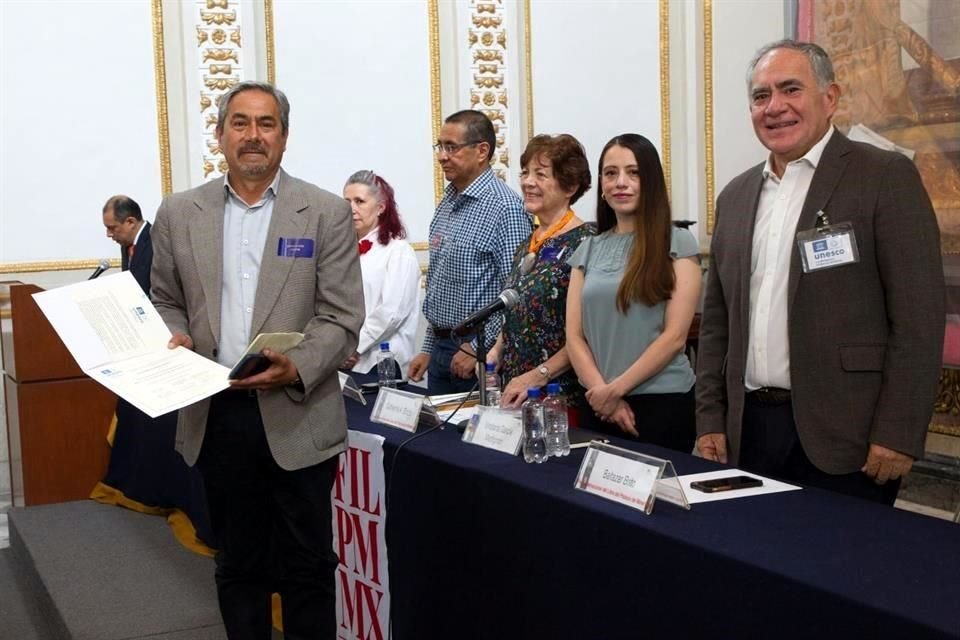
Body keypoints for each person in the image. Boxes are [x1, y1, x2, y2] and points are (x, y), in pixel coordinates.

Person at [151, 81, 364, 639]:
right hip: (216, 414)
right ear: (220, 135)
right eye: (240, 123)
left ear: (284, 137)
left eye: (266, 124)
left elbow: (342, 318)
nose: (252, 136)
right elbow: (166, 301)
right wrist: (175, 334)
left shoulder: (324, 212)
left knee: (308, 569)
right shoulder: (178, 213)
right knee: (237, 567)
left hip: (299, 411)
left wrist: (296, 366)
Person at [695, 40, 945, 505]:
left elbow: (919, 319)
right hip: (747, 433)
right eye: (761, 96)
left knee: (842, 571)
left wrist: (898, 432)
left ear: (830, 98)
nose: (775, 107)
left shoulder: (884, 177)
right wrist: (711, 418)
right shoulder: (734, 196)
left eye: (791, 89)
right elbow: (716, 326)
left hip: (848, 437)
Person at [566, 134, 701, 453]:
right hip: (596, 402)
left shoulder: (678, 243)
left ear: (650, 180)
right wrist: (603, 394)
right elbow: (574, 336)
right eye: (611, 173)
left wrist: (616, 391)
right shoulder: (587, 249)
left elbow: (675, 337)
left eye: (633, 172)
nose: (620, 182)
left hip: (663, 404)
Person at [407, 110, 531, 394]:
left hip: (478, 358)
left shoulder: (505, 209)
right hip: (441, 349)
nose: (442, 156)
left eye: (452, 147)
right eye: (440, 146)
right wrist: (428, 348)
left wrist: (478, 347)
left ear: (482, 151)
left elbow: (516, 294)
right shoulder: (448, 203)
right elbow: (440, 283)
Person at [486, 134, 594, 415]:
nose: (527, 182)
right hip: (516, 390)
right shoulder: (528, 243)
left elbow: (587, 333)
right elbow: (517, 307)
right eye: (525, 172)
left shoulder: (587, 241)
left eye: (540, 174)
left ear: (570, 185)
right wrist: (497, 348)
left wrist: (540, 374)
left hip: (559, 396)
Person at [341, 170, 421, 377]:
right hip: (343, 360)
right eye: (347, 201)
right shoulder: (342, 250)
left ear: (380, 208)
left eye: (360, 201)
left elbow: (391, 313)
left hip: (382, 362)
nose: (351, 208)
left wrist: (355, 346)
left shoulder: (399, 251)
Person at [101, 195, 151, 293]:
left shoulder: (157, 240)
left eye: (112, 228)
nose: (108, 234)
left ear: (131, 222)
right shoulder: (126, 243)